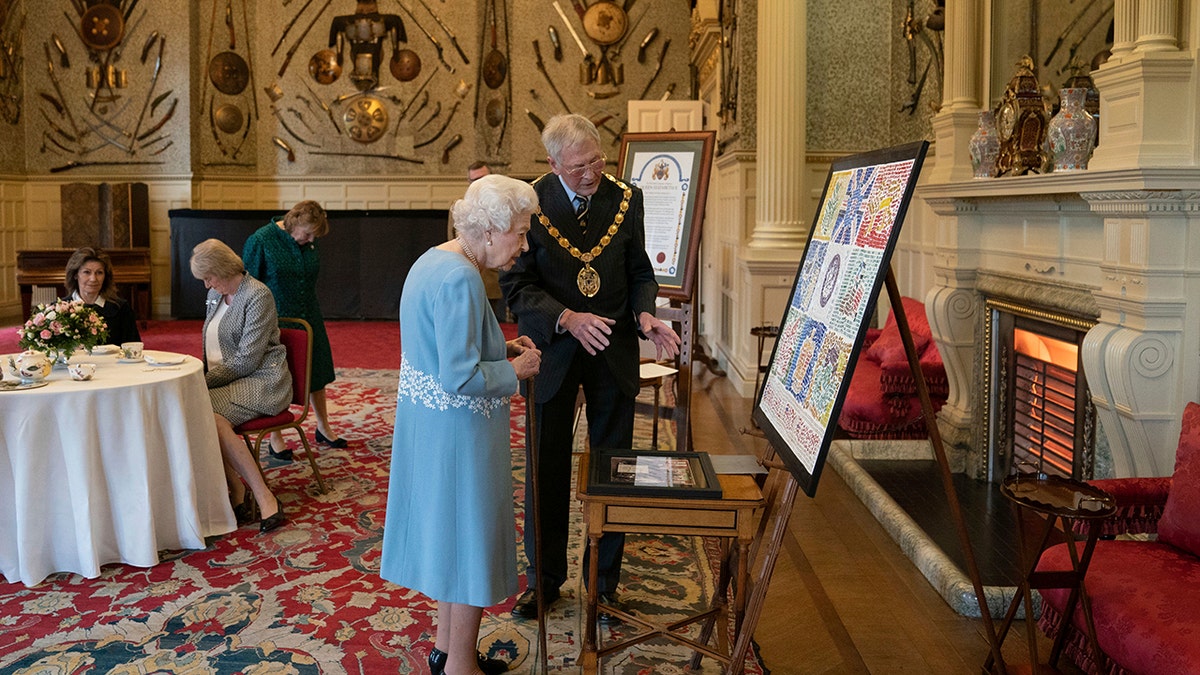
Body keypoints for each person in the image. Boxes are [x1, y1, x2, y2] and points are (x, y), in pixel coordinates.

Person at [500, 114, 681, 621]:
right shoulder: (529, 204)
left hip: (615, 351)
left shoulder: (627, 198)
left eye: (597, 160)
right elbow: (518, 288)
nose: (591, 173)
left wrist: (646, 312)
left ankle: (603, 583)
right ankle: (545, 581)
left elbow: (640, 270)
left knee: (614, 470)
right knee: (546, 468)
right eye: (579, 166)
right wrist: (567, 318)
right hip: (552, 354)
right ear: (553, 163)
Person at [380, 175, 542, 675]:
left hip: (431, 430)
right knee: (469, 544)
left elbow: (443, 349)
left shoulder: (434, 259)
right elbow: (459, 376)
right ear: (490, 230)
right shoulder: (462, 278)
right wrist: (513, 370)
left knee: (450, 544)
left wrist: (501, 348)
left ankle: (447, 648)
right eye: (519, 231)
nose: (525, 244)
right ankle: (460, 668)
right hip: (460, 434)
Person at [191, 239, 291, 533]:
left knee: (201, 411)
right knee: (198, 411)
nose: (206, 284)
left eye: (208, 277)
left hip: (263, 380)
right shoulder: (215, 294)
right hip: (228, 379)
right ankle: (240, 488)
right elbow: (210, 344)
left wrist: (201, 381)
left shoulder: (257, 295)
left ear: (222, 269)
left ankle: (257, 494)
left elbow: (247, 360)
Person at [243, 200, 346, 462]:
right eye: (308, 233)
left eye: (315, 236)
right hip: (274, 321)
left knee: (317, 371)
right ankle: (275, 438)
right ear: (295, 222)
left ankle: (323, 427)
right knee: (276, 377)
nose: (311, 239)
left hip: (309, 316)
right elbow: (247, 285)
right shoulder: (261, 240)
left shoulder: (309, 239)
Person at [63, 247, 141, 346]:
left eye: (99, 273)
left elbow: (133, 348)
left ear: (105, 276)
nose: (93, 279)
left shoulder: (120, 308)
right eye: (87, 272)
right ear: (75, 275)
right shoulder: (60, 309)